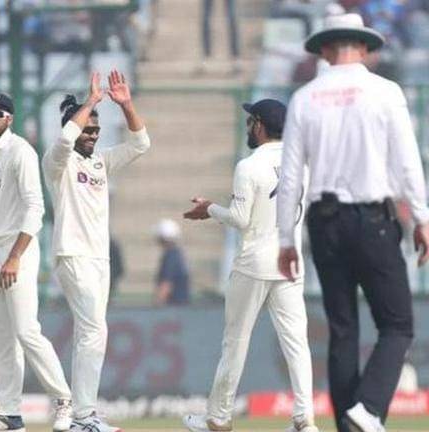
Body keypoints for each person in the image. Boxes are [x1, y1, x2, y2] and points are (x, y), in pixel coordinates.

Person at [277, 13, 429, 432]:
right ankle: (369, 409)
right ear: (363, 48)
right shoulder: (385, 92)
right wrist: (422, 217)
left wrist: (286, 239)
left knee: (342, 330)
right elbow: (407, 162)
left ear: (326, 50)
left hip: (324, 222)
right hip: (372, 218)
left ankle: (350, 422)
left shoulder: (304, 98)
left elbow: (290, 177)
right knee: (397, 324)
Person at [182, 99, 317, 432]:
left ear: (259, 125)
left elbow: (240, 219)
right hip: (290, 263)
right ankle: (305, 419)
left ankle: (219, 417)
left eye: (250, 121)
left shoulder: (249, 166)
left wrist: (210, 208)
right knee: (296, 343)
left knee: (235, 342)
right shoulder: (302, 164)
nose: (248, 128)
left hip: (254, 263)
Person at [0, 93, 73, 432]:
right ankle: (9, 413)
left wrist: (15, 257)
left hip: (17, 250)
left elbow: (35, 208)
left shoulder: (20, 151)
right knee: (2, 337)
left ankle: (64, 401)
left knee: (26, 330)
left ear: (9, 118)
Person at [42, 70, 150, 432]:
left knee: (88, 333)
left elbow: (140, 144)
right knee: (94, 331)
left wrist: (126, 105)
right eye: (87, 129)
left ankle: (79, 415)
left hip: (99, 259)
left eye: (96, 130)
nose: (92, 135)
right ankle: (84, 416)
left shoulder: (101, 161)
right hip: (72, 254)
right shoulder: (57, 162)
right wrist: (90, 101)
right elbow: (64, 140)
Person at [153, 219, 190, 306]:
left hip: (173, 307)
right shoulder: (177, 254)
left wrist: (157, 304)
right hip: (181, 305)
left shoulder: (170, 256)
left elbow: (166, 284)